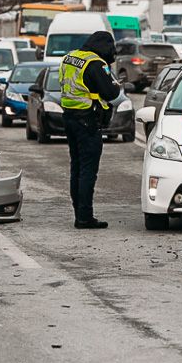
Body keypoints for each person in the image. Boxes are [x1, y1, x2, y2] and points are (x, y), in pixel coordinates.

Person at [59, 30, 120, 229]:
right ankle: (84, 217)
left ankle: (79, 212)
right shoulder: (95, 63)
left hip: (69, 118)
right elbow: (111, 92)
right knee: (87, 171)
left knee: (76, 167)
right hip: (88, 121)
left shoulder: (70, 57)